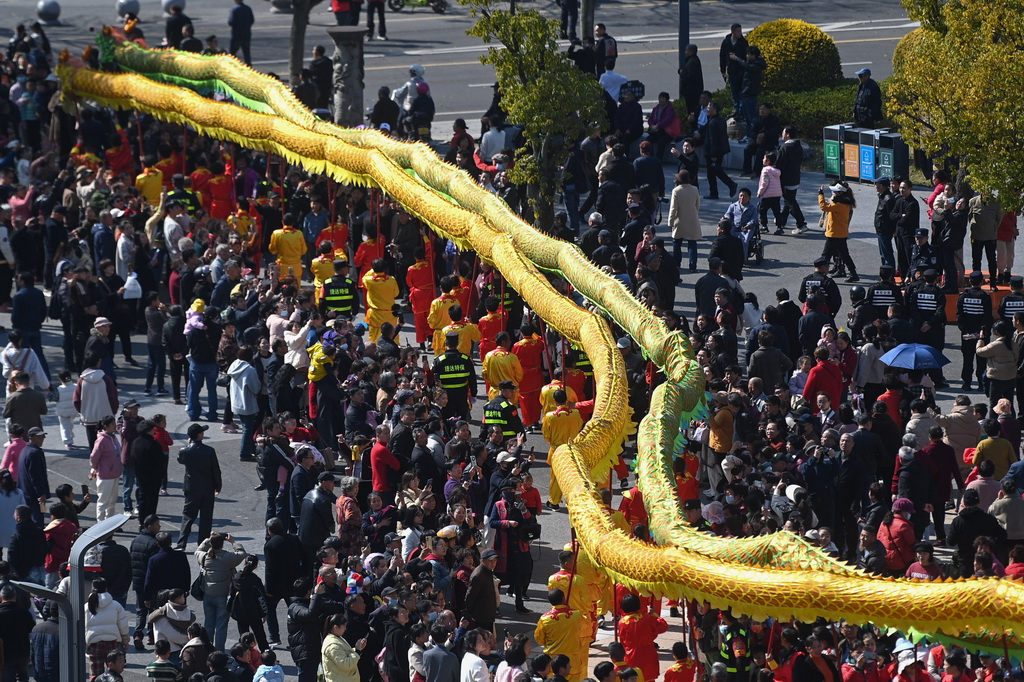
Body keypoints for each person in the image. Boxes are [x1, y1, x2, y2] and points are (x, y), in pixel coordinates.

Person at [195, 532, 247, 651]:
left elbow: (198, 549)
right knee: (221, 626)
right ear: (222, 544)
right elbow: (242, 553)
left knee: (208, 624)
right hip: (223, 596)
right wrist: (233, 542)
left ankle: (206, 650)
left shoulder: (204, 557)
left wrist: (209, 539)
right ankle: (219, 652)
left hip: (208, 594)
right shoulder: (227, 558)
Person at [176, 424, 222, 550]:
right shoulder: (209, 451)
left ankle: (181, 543)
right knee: (206, 519)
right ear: (200, 435)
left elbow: (180, 460)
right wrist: (218, 485)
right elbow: (216, 470)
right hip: (207, 488)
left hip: (191, 488)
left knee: (188, 516)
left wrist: (187, 445)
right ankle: (202, 544)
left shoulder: (185, 451)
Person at [84, 578, 131, 680]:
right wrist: (125, 641)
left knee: (96, 675)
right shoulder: (115, 605)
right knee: (114, 674)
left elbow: (83, 627)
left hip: (94, 644)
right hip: (112, 643)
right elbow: (123, 625)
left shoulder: (87, 606)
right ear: (106, 589)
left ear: (93, 589)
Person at [818, 181, 859, 282]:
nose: (833, 194)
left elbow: (823, 207)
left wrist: (820, 194)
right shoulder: (845, 203)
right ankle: (853, 274)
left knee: (825, 255)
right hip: (841, 234)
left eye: (835, 192)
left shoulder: (839, 204)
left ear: (840, 193)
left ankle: (820, 274)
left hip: (834, 234)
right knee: (845, 255)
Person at [668, 170, 702, 272]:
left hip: (679, 221)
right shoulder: (695, 189)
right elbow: (697, 205)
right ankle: (692, 266)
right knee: (692, 244)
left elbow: (673, 208)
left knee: (677, 244)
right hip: (692, 220)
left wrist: (670, 221)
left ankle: (677, 264)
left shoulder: (676, 190)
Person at [704, 102, 736, 200]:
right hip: (720, 151)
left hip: (713, 152)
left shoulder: (713, 122)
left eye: (709, 107)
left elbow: (714, 139)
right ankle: (724, 187)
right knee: (716, 171)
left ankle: (728, 185)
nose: (707, 109)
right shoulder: (719, 120)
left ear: (714, 110)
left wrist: (713, 154)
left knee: (712, 173)